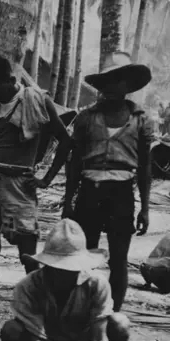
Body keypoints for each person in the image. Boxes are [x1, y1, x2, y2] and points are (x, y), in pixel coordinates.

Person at [0, 57, 72, 325]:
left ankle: (35, 312)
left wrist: (46, 178)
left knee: (27, 252)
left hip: (21, 183)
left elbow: (65, 141)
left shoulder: (37, 100)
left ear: (10, 81)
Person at [1, 219, 130, 341]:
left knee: (120, 324)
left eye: (72, 269)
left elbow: (99, 337)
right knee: (12, 330)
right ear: (48, 265)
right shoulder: (28, 287)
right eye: (60, 269)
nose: (66, 274)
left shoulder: (96, 284)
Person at [64, 52, 154, 312]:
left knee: (118, 259)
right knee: (85, 256)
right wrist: (68, 201)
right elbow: (75, 162)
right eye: (106, 82)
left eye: (117, 81)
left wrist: (145, 208)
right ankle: (84, 310)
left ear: (128, 85)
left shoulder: (140, 120)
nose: (110, 88)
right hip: (89, 191)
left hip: (121, 194)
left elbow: (145, 168)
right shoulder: (86, 118)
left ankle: (113, 314)